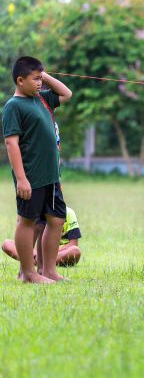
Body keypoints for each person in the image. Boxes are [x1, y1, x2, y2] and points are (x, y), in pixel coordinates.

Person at [2, 56, 72, 283]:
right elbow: (11, 143)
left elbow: (66, 93)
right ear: (20, 80)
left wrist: (44, 75)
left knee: (56, 220)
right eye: (35, 79)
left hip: (51, 176)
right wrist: (21, 179)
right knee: (28, 221)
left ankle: (49, 270)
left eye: (41, 79)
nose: (40, 83)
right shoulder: (13, 106)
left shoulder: (42, 98)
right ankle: (28, 273)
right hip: (31, 176)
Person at [2, 207, 83, 272]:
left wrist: (48, 253)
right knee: (7, 244)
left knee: (75, 251)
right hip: (35, 252)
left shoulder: (68, 213)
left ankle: (37, 262)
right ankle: (39, 261)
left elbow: (73, 244)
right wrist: (35, 253)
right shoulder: (35, 212)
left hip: (60, 252)